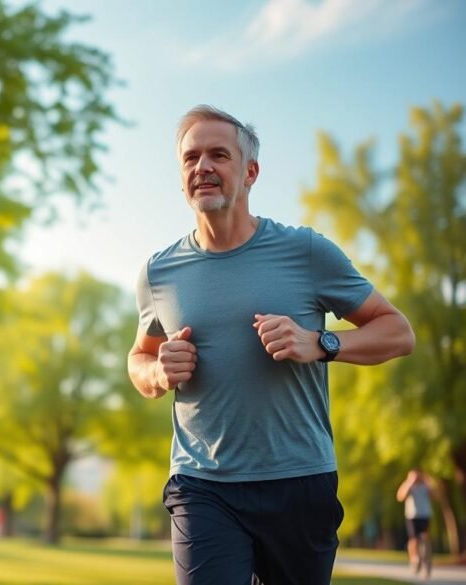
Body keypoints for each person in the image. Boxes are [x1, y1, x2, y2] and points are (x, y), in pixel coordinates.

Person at [127, 105, 415, 585]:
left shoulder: (305, 251)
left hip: (298, 480)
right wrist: (157, 371)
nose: (203, 167)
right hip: (203, 483)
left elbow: (398, 331)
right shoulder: (159, 273)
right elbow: (139, 356)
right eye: (191, 158)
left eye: (219, 154)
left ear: (250, 171)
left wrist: (320, 342)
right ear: (181, 177)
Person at [397, 467, 433, 577]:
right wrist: (409, 483)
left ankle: (426, 562)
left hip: (425, 515)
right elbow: (400, 497)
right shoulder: (408, 485)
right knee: (413, 539)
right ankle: (414, 559)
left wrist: (428, 483)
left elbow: (435, 496)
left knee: (424, 538)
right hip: (412, 515)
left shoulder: (425, 486)